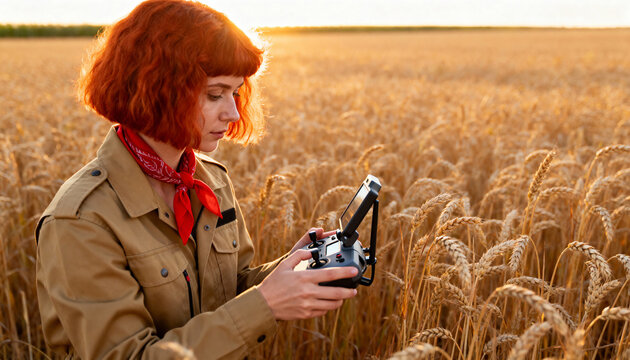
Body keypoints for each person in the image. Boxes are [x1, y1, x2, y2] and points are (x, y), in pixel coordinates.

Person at [35, 1, 358, 358]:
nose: (234, 113)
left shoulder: (211, 180)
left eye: (236, 93)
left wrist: (288, 271)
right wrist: (266, 304)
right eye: (215, 94)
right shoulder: (82, 220)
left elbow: (225, 291)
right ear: (158, 89)